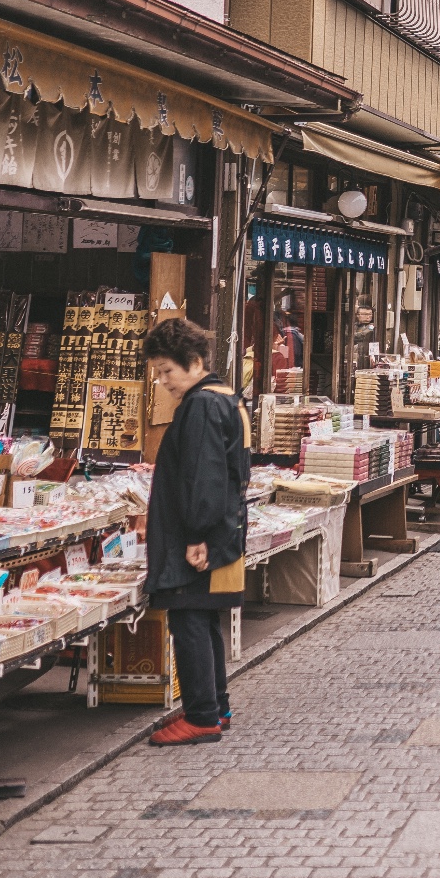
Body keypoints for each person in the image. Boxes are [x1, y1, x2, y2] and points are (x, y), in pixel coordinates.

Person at [142, 317, 251, 745]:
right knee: (203, 620)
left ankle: (202, 715)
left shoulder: (203, 403)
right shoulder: (227, 397)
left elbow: (203, 476)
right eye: (158, 373)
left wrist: (195, 536)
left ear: (193, 361)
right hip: (220, 531)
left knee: (188, 618)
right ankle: (215, 707)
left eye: (167, 370)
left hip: (201, 537)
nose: (163, 381)